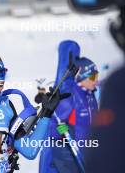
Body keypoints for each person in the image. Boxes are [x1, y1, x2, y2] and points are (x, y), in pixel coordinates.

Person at [67, 0, 125, 172]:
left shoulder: (116, 85)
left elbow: (105, 162)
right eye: (90, 76)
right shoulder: (74, 97)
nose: (94, 80)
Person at [39, 40, 99, 173]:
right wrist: (62, 132)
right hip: (68, 157)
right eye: (93, 77)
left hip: (87, 154)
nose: (97, 80)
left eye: (97, 75)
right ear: (83, 76)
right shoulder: (69, 96)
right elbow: (53, 128)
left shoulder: (90, 96)